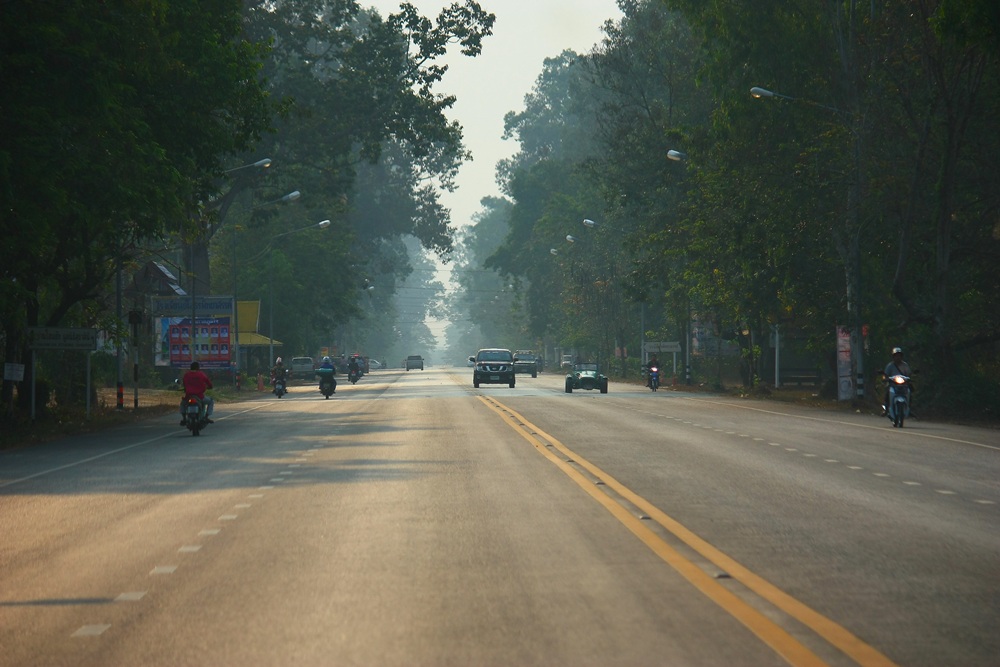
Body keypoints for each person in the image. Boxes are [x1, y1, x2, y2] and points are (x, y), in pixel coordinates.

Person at [882, 347, 913, 414]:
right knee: (887, 392)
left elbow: (909, 374)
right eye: (896, 356)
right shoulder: (890, 366)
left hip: (903, 384)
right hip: (892, 384)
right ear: (893, 357)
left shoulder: (905, 365)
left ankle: (910, 408)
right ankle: (886, 408)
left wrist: (909, 379)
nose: (898, 357)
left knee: (910, 392)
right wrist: (886, 379)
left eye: (899, 356)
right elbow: (885, 375)